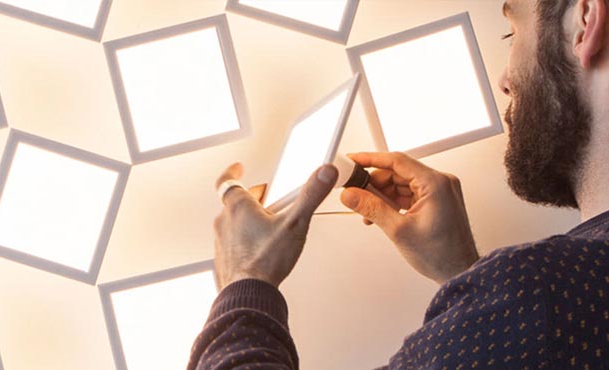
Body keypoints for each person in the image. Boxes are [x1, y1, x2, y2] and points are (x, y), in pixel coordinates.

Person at [188, 0, 609, 368]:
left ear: (584, 20)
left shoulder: (542, 293)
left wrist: (246, 280)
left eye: (511, 31)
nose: (504, 79)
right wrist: (467, 281)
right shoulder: (554, 300)